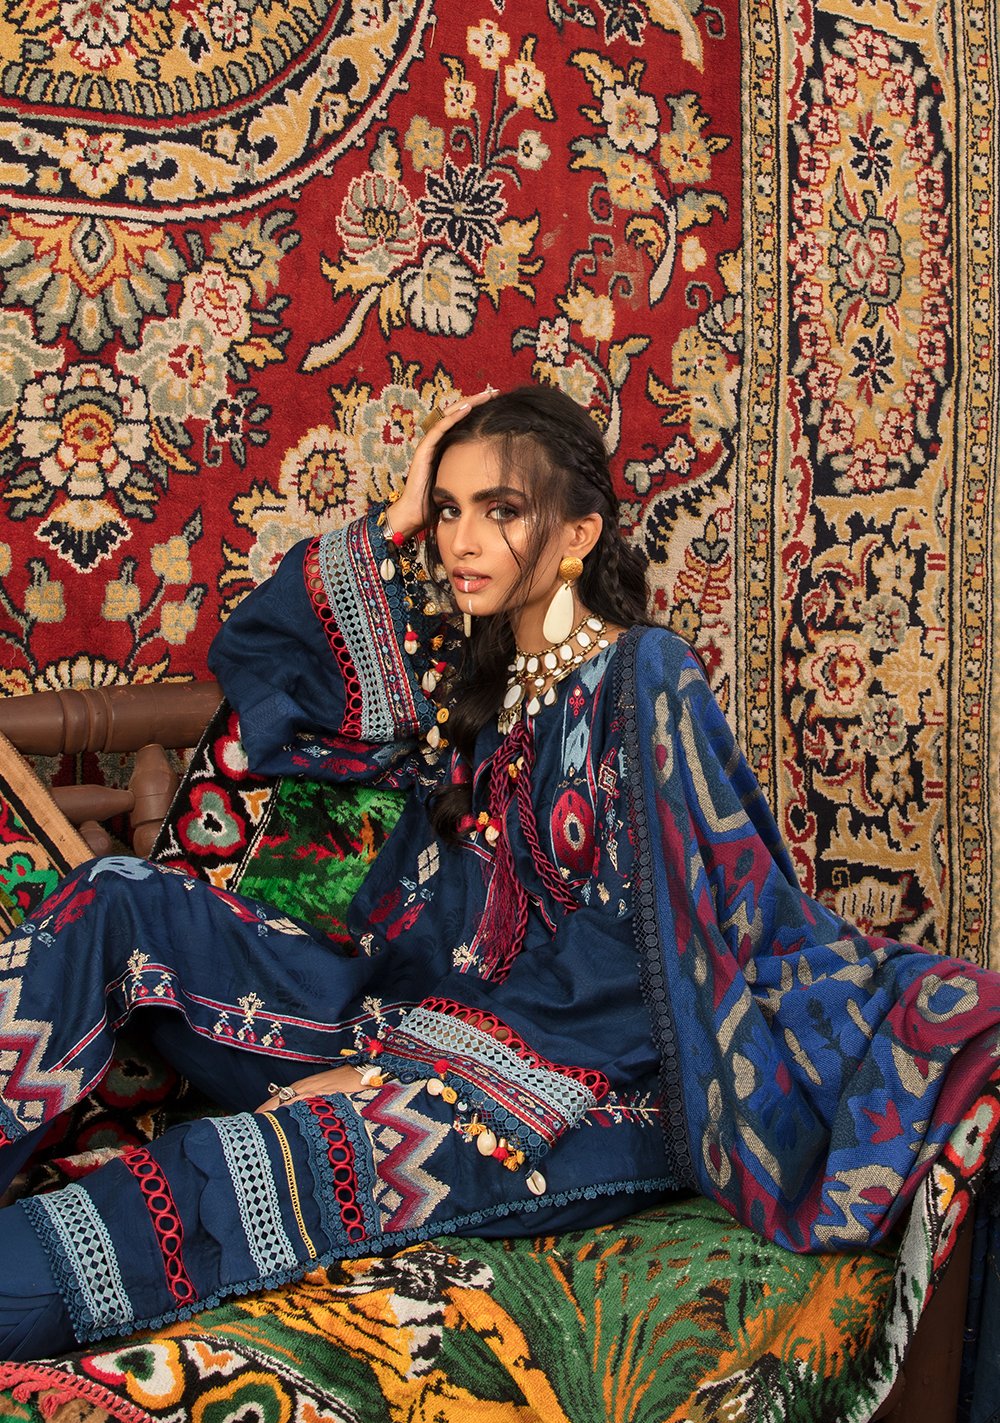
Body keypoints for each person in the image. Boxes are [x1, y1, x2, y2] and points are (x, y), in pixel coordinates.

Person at [2, 383, 1000, 1364]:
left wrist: (392, 1075)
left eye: (502, 510)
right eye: (450, 511)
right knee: (116, 900)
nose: (462, 541)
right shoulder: (476, 682)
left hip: (576, 1084)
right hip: (397, 1010)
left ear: (578, 535)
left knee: (256, 1171)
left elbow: (634, 953)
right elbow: (277, 682)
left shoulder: (643, 677)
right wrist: (396, 521)